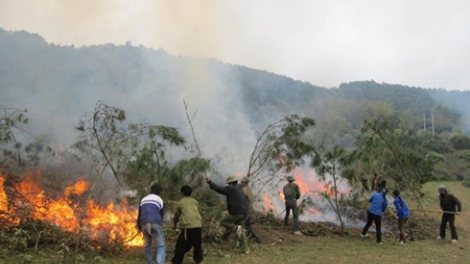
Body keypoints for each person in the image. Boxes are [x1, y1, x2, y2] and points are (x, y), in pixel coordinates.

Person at [206, 176, 249, 254]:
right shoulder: (239, 187)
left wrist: (210, 183)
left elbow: (219, 189)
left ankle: (235, 228)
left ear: (232, 183)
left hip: (236, 212)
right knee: (241, 231)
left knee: (223, 222)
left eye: (229, 183)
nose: (228, 185)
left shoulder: (230, 188)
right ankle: (245, 249)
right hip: (244, 213)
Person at [169, 185, 204, 264]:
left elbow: (176, 215)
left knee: (180, 245)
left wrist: (174, 224)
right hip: (198, 225)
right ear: (191, 193)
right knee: (197, 245)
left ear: (182, 193)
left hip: (188, 227)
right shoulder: (195, 201)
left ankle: (176, 262)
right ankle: (200, 261)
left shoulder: (180, 202)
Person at [222, 176, 262, 244]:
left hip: (245, 212)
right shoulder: (241, 189)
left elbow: (249, 202)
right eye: (241, 181)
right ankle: (224, 237)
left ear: (246, 183)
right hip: (241, 211)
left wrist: (246, 213)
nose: (241, 183)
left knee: (247, 227)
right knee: (235, 224)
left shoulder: (245, 190)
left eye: (243, 182)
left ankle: (256, 239)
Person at [137, 183, 166, 264]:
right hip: (155, 223)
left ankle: (150, 262)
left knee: (147, 244)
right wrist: (159, 224)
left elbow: (139, 214)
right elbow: (161, 214)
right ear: (160, 192)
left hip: (144, 223)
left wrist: (139, 226)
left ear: (151, 190)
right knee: (160, 245)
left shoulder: (143, 199)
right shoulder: (160, 200)